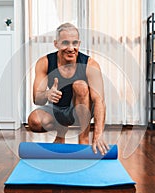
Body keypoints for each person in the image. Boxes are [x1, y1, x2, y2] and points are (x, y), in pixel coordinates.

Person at [28, 22, 109, 155]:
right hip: (58, 109)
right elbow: (37, 100)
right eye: (65, 43)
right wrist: (47, 94)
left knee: (80, 86)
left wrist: (98, 135)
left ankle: (83, 138)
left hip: (83, 110)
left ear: (79, 43)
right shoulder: (45, 62)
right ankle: (60, 135)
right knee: (34, 121)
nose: (71, 48)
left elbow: (99, 101)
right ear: (56, 44)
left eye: (74, 43)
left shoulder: (90, 64)